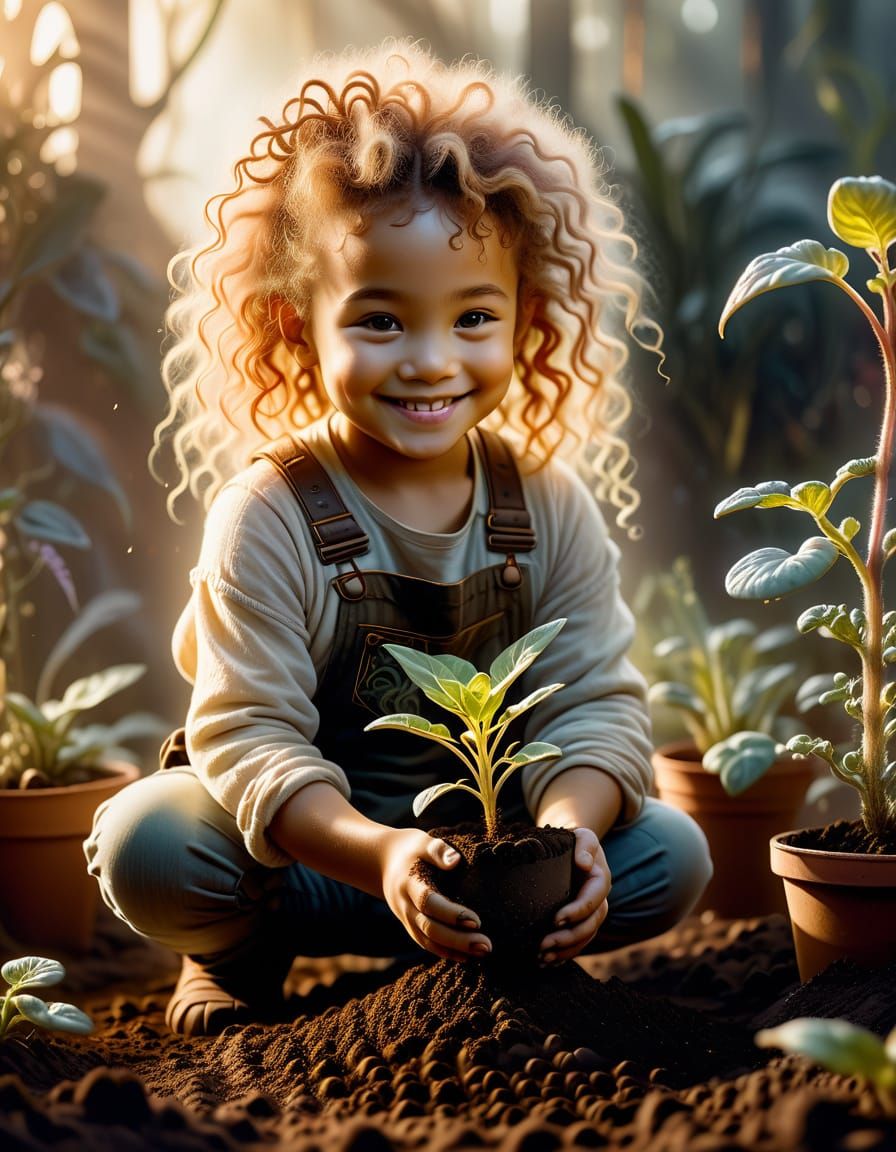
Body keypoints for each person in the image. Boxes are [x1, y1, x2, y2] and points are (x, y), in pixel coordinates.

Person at [85, 40, 712, 1037]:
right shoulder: (273, 512)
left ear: (524, 320)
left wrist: (567, 839)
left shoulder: (544, 506)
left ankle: (511, 944)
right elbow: (246, 736)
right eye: (379, 320)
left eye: (472, 318)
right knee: (150, 846)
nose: (430, 362)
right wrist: (381, 860)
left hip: (490, 868)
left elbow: (597, 703)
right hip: (319, 868)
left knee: (670, 856)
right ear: (298, 326)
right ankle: (235, 956)